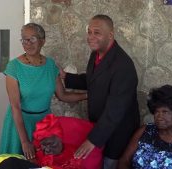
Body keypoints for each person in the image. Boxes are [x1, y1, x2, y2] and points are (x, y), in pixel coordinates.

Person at [0, 23, 87, 161]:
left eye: (32, 39)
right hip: (20, 125)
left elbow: (62, 95)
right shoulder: (13, 67)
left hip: (44, 125)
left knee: (42, 163)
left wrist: (88, 96)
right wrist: (24, 141)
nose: (27, 43)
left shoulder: (51, 65)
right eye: (24, 39)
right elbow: (15, 106)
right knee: (17, 163)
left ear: (42, 41)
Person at [61, 14, 140, 169]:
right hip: (99, 127)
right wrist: (66, 77)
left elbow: (115, 110)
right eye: (89, 32)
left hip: (116, 133)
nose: (91, 37)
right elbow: (93, 80)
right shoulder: (96, 54)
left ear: (110, 35)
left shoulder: (123, 65)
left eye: (96, 32)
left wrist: (92, 140)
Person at [118, 85, 172, 169]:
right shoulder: (145, 131)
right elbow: (124, 161)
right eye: (156, 111)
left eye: (165, 112)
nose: (159, 116)